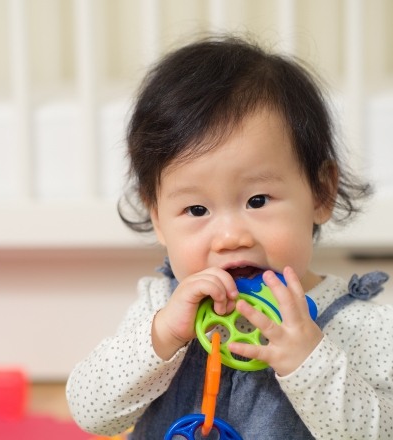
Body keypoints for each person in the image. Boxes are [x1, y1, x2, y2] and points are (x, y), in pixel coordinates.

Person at [66, 35, 393, 439]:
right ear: (159, 218)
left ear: (321, 193)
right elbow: (91, 412)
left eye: (257, 200)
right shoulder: (160, 306)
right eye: (197, 210)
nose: (230, 237)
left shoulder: (360, 326)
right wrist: (163, 336)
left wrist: (310, 361)